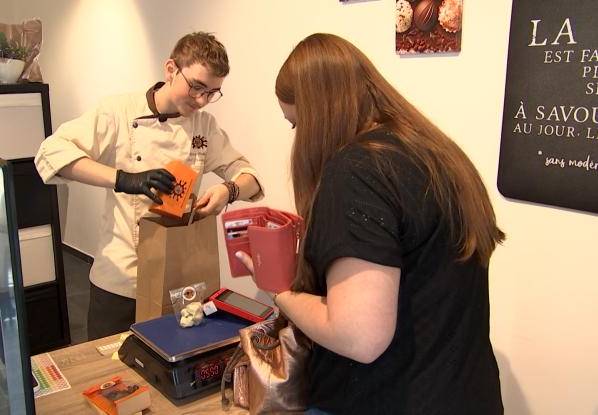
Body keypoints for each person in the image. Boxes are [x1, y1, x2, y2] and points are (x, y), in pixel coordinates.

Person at [237, 33, 504, 414]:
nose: (298, 138)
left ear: (319, 114)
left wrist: (279, 290)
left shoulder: (356, 171)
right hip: (468, 396)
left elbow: (359, 336)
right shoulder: (437, 153)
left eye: (296, 124)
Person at [35, 32, 263, 340]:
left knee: (171, 365)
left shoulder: (203, 126)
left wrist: (227, 191)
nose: (201, 100)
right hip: (120, 277)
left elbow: (248, 175)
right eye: (196, 86)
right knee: (109, 375)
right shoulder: (118, 110)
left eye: (212, 92)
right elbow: (52, 152)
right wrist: (123, 179)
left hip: (179, 278)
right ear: (171, 69)